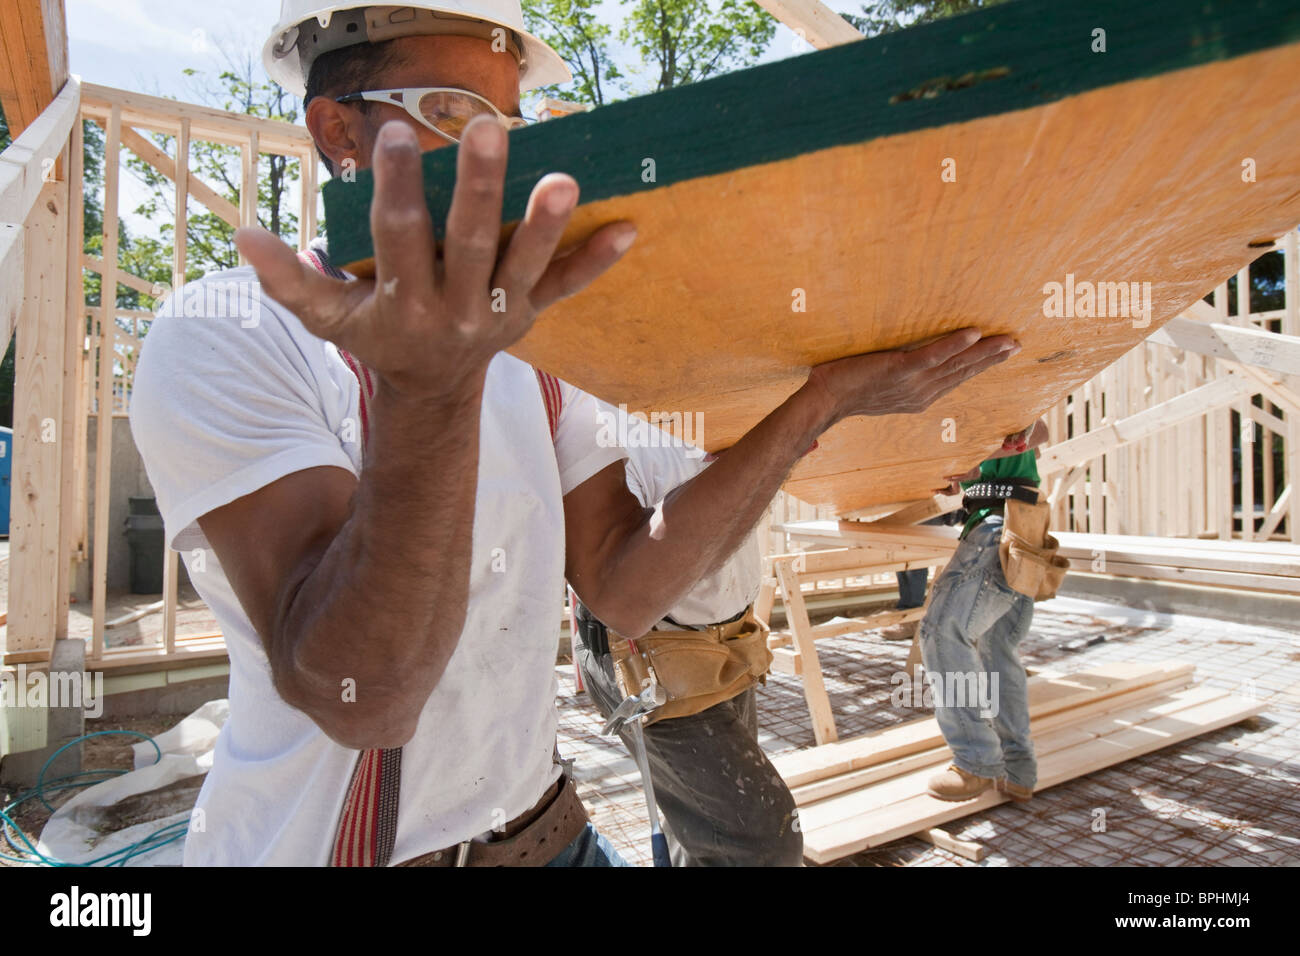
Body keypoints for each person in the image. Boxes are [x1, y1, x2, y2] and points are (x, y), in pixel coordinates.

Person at [129, 0, 1020, 865]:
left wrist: (817, 404)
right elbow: (365, 699)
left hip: (547, 834)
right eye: (453, 114)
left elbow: (626, 591)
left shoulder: (536, 353)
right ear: (338, 131)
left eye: (510, 127)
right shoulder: (228, 329)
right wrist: (430, 394)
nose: (499, 156)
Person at [572, 426, 802, 866]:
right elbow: (652, 569)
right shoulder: (603, 421)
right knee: (760, 841)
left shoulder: (725, 403)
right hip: (649, 654)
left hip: (727, 639)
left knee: (706, 828)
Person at [918, 421, 1050, 803]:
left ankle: (975, 761)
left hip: (997, 525)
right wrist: (959, 471)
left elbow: (1036, 430)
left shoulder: (989, 386)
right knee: (996, 648)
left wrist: (975, 454)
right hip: (1023, 524)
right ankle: (1017, 768)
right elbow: (1036, 438)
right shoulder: (984, 396)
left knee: (941, 632)